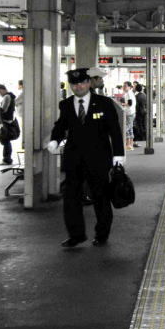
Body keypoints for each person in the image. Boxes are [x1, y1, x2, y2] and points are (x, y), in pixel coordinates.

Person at [47, 68, 125, 247]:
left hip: (99, 159)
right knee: (71, 198)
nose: (78, 86)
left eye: (82, 82)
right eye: (74, 84)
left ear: (89, 83)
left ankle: (102, 234)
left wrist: (118, 155)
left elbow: (114, 130)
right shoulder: (65, 105)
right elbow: (61, 126)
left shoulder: (104, 103)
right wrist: (54, 140)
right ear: (71, 86)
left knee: (100, 197)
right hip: (74, 159)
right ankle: (76, 234)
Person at [0, 84, 16, 165]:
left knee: (5, 141)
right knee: (6, 141)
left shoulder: (7, 97)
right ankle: (7, 159)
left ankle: (7, 159)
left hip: (5, 122)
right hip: (8, 121)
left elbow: (3, 110)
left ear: (1, 90)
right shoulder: (11, 96)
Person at [122, 81, 136, 151]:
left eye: (125, 86)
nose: (123, 87)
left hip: (130, 113)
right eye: (123, 86)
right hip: (130, 113)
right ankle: (130, 145)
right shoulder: (129, 93)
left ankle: (128, 144)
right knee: (130, 129)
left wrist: (123, 104)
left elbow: (130, 103)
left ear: (130, 87)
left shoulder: (129, 93)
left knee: (126, 128)